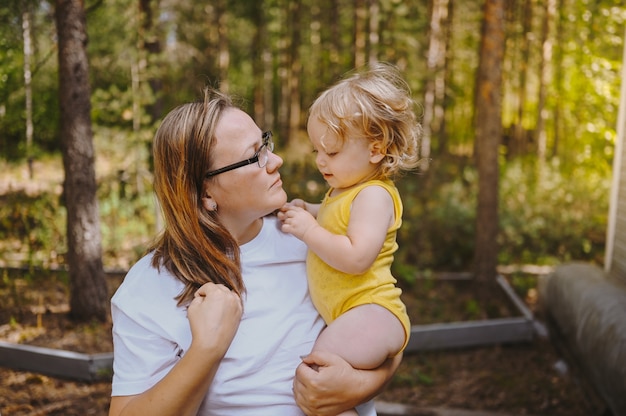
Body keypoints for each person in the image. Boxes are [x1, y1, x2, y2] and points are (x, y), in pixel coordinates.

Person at [108, 87, 401, 416]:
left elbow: (383, 318)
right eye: (254, 156)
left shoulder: (312, 237)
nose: (276, 161)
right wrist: (206, 349)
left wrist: (364, 384)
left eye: (266, 144)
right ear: (206, 193)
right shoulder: (150, 285)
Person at [278, 63, 421, 415]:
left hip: (373, 312)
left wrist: (309, 231)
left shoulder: (374, 196)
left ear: (375, 150)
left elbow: (357, 256)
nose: (321, 161)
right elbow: (337, 220)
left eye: (332, 152)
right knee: (329, 386)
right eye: (317, 151)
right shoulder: (343, 191)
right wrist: (311, 210)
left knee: (318, 377)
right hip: (353, 315)